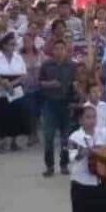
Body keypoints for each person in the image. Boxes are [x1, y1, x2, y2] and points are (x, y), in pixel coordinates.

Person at [67, 106, 106, 212]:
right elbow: (72, 158)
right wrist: (84, 152)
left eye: (93, 117)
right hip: (81, 183)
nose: (91, 121)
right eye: (88, 117)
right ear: (80, 120)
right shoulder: (74, 137)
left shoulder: (102, 133)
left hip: (99, 182)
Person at [39, 39, 76, 177]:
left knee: (65, 138)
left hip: (66, 104)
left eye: (62, 48)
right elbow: (40, 82)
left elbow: (76, 85)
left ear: (66, 50)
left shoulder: (72, 66)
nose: (59, 51)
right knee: (48, 136)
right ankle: (49, 166)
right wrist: (49, 84)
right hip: (50, 104)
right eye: (57, 48)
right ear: (52, 50)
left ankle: (64, 164)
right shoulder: (46, 65)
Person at [0, 32, 28, 153]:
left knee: (16, 114)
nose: (13, 46)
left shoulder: (18, 57)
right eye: (11, 44)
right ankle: (1, 142)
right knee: (1, 115)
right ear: (4, 45)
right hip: (1, 86)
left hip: (16, 86)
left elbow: (23, 74)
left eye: (14, 44)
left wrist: (12, 84)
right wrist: (5, 83)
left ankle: (13, 142)